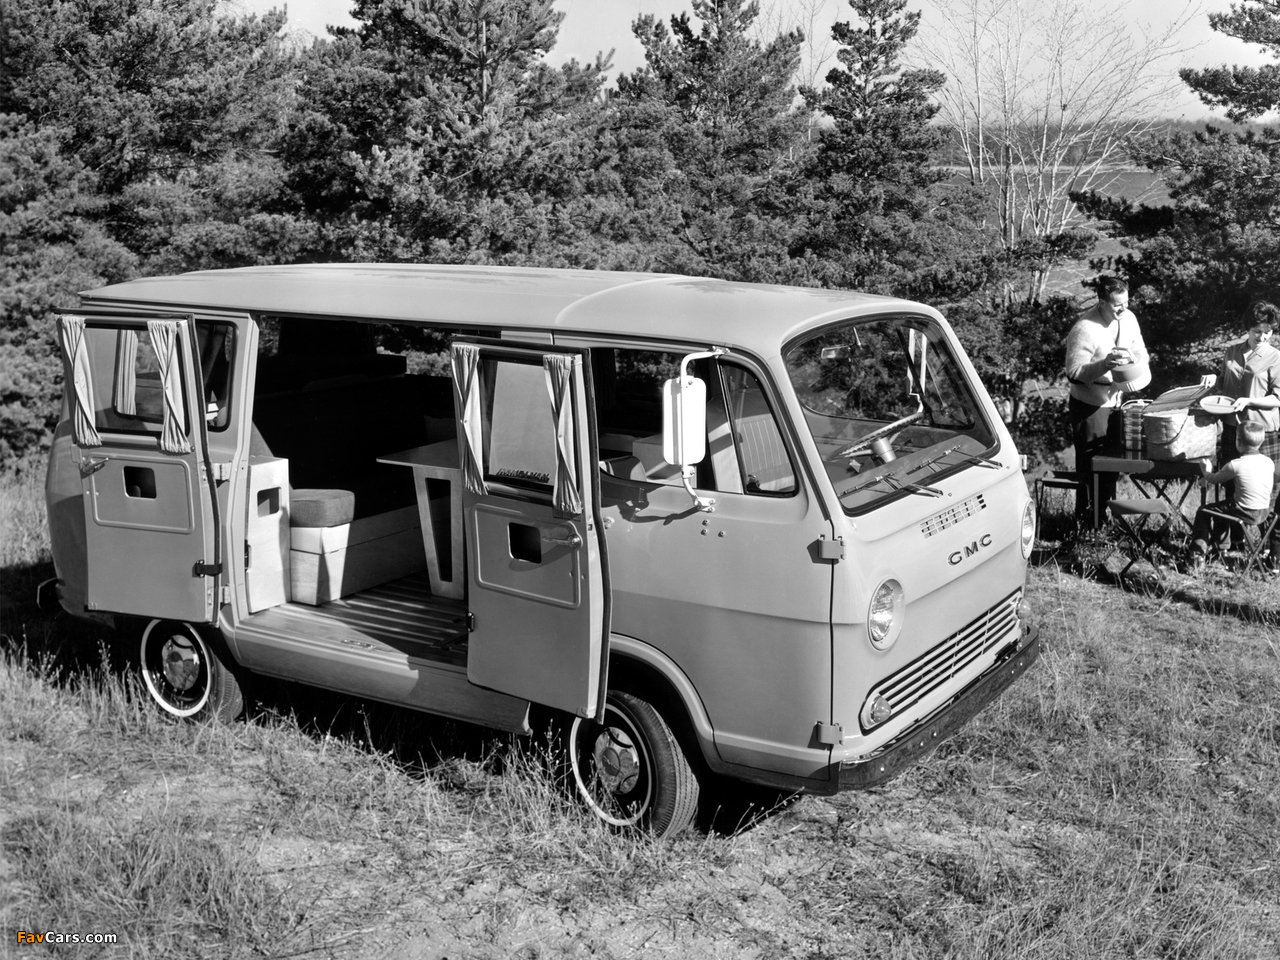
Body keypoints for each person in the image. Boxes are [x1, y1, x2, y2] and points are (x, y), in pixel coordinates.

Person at [1064, 276, 1151, 526]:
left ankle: (1105, 519)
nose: (1123, 309)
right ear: (1101, 302)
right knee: (1091, 466)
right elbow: (1074, 373)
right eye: (1117, 305)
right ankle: (1087, 523)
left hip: (1116, 403)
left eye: (1126, 303)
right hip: (1089, 406)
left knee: (1111, 465)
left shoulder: (1129, 318)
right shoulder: (1084, 329)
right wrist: (1105, 365)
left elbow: (1140, 350)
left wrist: (1136, 365)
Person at [1198, 300, 1280, 491]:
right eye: (1257, 331)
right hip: (1232, 427)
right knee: (1231, 486)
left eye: (1267, 332)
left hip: (1261, 432)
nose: (1262, 337)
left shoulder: (1276, 357)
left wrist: (1249, 401)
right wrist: (1213, 379)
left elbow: (1277, 398)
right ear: (1248, 328)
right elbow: (1224, 382)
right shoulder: (1232, 351)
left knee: (1264, 489)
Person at [1188, 421, 1275, 572]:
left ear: (1238, 442)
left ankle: (1197, 554)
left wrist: (1206, 470)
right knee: (1222, 508)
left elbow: (1214, 479)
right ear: (1261, 442)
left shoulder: (1235, 464)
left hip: (1244, 511)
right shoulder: (1269, 462)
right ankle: (1222, 548)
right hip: (1264, 511)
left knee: (1203, 511)